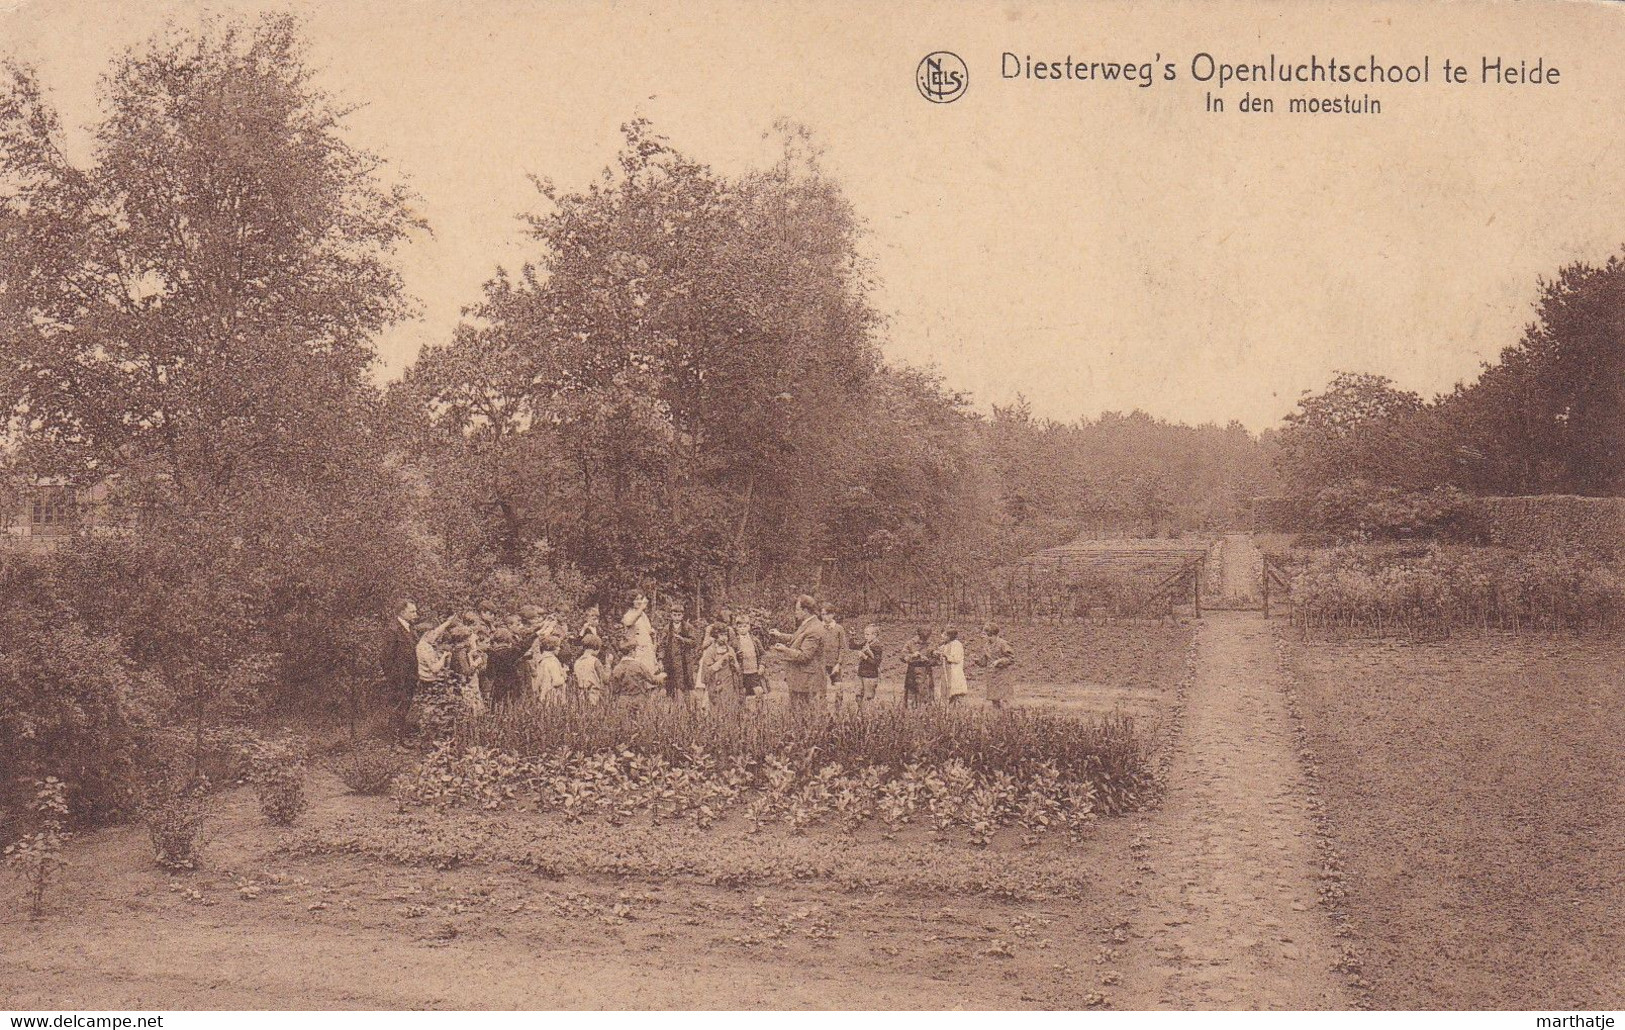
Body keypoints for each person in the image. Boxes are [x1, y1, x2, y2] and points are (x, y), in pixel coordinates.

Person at [770, 595, 826, 710]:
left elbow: (804, 656)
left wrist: (784, 649)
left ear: (805, 611)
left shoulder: (814, 629)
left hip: (807, 681)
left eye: (797, 609)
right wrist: (780, 635)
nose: (795, 612)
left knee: (805, 714)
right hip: (801, 679)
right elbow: (798, 639)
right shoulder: (808, 624)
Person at [381, 599, 421, 740]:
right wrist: (393, 677)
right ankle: (395, 741)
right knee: (398, 707)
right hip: (399, 678)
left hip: (410, 676)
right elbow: (386, 657)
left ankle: (401, 737)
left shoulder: (410, 628)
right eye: (412, 611)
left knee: (405, 707)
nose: (416, 614)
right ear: (402, 612)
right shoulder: (393, 630)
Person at [608, 630, 665, 710]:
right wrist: (662, 676)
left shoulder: (617, 668)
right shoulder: (638, 666)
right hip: (639, 701)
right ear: (632, 652)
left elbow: (614, 688)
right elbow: (652, 680)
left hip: (623, 702)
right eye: (635, 650)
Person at [661, 600, 697, 702]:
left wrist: (683, 640)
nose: (676, 617)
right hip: (671, 660)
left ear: (682, 616)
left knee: (685, 684)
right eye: (674, 615)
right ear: (671, 615)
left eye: (679, 615)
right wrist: (660, 659)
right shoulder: (667, 628)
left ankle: (687, 706)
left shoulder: (688, 627)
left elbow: (694, 642)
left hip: (684, 660)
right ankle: (673, 706)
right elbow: (662, 645)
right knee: (671, 684)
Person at [697, 622, 739, 710]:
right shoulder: (711, 651)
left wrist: (734, 664)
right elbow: (707, 671)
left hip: (728, 684)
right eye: (721, 635)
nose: (724, 638)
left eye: (725, 635)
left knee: (728, 707)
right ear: (716, 636)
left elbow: (737, 669)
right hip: (715, 684)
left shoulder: (730, 649)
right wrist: (722, 660)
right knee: (716, 709)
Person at [978, 623, 1016, 709]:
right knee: (994, 699)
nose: (982, 636)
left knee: (1004, 700)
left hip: (1002, 676)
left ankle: (1006, 718)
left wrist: (999, 661)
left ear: (991, 634)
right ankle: (996, 718)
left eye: (984, 634)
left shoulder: (1003, 644)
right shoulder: (986, 646)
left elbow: (1011, 658)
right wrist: (977, 661)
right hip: (992, 676)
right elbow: (984, 662)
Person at [621, 592, 658, 677]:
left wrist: (652, 633)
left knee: (649, 674)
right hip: (636, 650)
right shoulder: (629, 614)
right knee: (638, 674)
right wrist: (641, 608)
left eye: (640, 599)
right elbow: (629, 622)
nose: (639, 601)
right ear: (631, 601)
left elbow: (648, 630)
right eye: (636, 599)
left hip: (647, 648)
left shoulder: (643, 615)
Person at [733, 612, 767, 705]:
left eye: (744, 626)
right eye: (740, 627)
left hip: (754, 671)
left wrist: (762, 666)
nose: (742, 629)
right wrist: (736, 655)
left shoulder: (755, 640)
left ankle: (760, 711)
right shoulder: (735, 642)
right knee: (742, 693)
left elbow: (763, 654)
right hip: (742, 672)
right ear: (736, 628)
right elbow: (731, 656)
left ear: (749, 627)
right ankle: (742, 712)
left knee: (759, 691)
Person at [900, 627, 936, 707]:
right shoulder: (911, 643)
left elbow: (935, 660)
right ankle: (910, 711)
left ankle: (924, 710)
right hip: (912, 670)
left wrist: (928, 660)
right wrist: (912, 656)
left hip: (925, 671)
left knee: (924, 692)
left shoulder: (930, 644)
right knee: (911, 692)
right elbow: (902, 656)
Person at [820, 602, 848, 706]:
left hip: (834, 664)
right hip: (821, 663)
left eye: (827, 614)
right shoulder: (818, 628)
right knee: (821, 688)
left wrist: (838, 664)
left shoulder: (839, 629)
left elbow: (842, 648)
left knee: (838, 687)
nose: (825, 617)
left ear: (833, 615)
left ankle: (838, 711)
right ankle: (822, 710)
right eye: (823, 614)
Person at [530, 634, 566, 703]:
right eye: (557, 646)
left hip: (543, 696)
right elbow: (557, 681)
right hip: (553, 697)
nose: (559, 649)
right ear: (552, 648)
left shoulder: (542, 660)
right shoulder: (552, 661)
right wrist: (564, 676)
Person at [573, 632, 606, 706]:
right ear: (596, 648)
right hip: (594, 696)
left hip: (581, 696)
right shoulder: (595, 661)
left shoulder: (577, 662)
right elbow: (604, 679)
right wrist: (608, 665)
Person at [855, 624, 883, 704]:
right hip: (861, 674)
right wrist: (852, 636)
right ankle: (860, 713)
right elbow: (853, 646)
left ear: (874, 635)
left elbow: (876, 662)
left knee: (868, 698)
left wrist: (864, 657)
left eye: (867, 634)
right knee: (858, 695)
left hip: (870, 675)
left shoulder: (877, 647)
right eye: (864, 634)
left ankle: (869, 714)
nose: (865, 636)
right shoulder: (865, 643)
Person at [941, 627, 968, 705]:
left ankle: (960, 707)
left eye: (945, 635)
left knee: (956, 691)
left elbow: (957, 659)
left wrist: (946, 656)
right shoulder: (946, 645)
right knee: (949, 691)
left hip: (955, 671)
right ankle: (950, 707)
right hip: (947, 671)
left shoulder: (957, 644)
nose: (943, 637)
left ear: (950, 636)